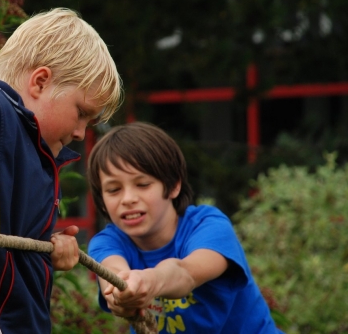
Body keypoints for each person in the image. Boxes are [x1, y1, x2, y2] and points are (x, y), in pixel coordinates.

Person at [0, 8, 123, 334]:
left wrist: (49, 246)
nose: (82, 133)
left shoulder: (38, 152)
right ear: (40, 82)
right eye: (81, 113)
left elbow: (13, 239)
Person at [87, 122, 285, 333]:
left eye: (142, 184)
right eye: (114, 189)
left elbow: (185, 274)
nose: (128, 199)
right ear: (101, 201)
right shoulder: (105, 243)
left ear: (173, 186)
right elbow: (112, 272)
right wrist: (120, 292)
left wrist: (148, 281)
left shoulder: (209, 226)